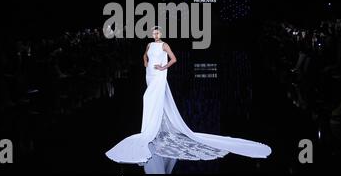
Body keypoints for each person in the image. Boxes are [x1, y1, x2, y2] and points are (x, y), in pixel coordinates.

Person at [105, 26, 271, 163]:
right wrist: (146, 63)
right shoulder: (149, 45)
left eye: (158, 32)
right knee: (151, 99)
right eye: (154, 32)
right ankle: (154, 127)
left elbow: (174, 59)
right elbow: (144, 55)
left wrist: (163, 68)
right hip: (149, 74)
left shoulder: (164, 45)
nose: (155, 34)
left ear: (160, 34)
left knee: (149, 98)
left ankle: (151, 129)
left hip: (159, 76)